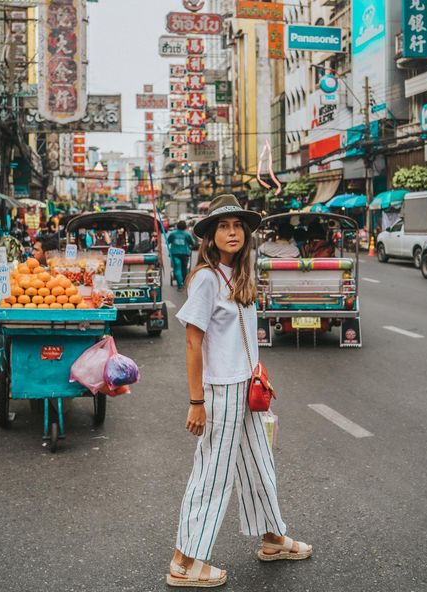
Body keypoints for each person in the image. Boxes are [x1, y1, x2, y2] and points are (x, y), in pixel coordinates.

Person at [167, 194, 312, 588]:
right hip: (220, 391)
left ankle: (272, 538)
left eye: (237, 226)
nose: (232, 233)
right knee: (212, 475)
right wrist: (196, 402)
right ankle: (185, 561)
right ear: (210, 236)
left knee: (259, 467)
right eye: (223, 226)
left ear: (245, 234)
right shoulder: (206, 279)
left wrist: (257, 373)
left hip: (246, 387)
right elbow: (193, 343)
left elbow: (241, 336)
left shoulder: (239, 275)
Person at [168, 220, 197, 290]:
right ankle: (184, 282)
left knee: (177, 268)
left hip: (175, 253)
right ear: (185, 227)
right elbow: (193, 243)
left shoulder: (172, 234)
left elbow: (168, 241)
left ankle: (180, 285)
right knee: (184, 269)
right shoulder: (187, 234)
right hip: (185, 253)